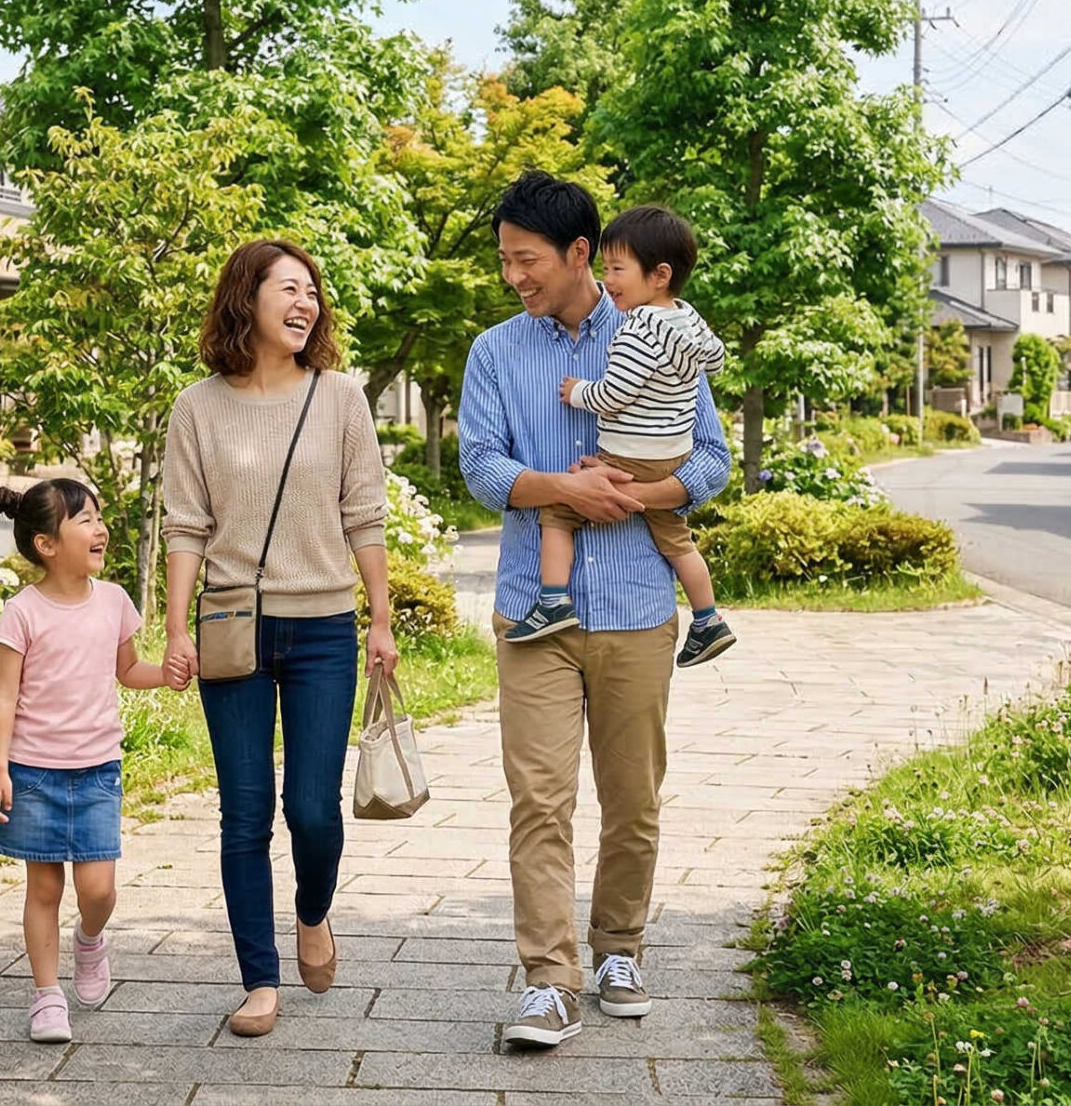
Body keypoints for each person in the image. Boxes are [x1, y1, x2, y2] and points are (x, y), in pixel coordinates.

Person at [459, 173, 731, 1050]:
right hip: (532, 611)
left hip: (638, 605)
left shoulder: (663, 328)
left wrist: (653, 490)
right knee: (538, 799)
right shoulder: (496, 351)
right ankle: (549, 980)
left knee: (632, 797)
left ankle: (620, 949)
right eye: (505, 260)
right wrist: (563, 488)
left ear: (582, 254)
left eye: (526, 259)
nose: (513, 277)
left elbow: (716, 460)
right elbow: (482, 467)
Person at [159, 238, 395, 1040]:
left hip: (326, 626)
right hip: (233, 625)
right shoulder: (196, 407)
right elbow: (184, 524)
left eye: (311, 291)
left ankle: (313, 911)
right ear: (246, 300)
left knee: (313, 811)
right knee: (245, 812)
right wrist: (172, 629)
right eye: (287, 289)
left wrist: (382, 620)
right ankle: (259, 980)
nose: (305, 304)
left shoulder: (342, 399)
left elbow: (365, 512)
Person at [0, 478, 170, 1045]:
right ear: (47, 544)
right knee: (43, 890)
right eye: (85, 519)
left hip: (96, 772)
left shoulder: (113, 600)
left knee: (98, 890)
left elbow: (129, 671)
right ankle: (46, 997)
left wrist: (172, 673)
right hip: (33, 772)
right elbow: (5, 696)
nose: (100, 528)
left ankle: (89, 941)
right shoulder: (23, 611)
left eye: (98, 517)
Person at [511, 203, 737, 669]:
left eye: (617, 268)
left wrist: (577, 392)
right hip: (671, 455)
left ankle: (553, 599)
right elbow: (715, 359)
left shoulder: (637, 328)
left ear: (658, 275)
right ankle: (709, 619)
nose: (608, 278)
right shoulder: (686, 318)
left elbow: (613, 394)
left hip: (631, 458)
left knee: (558, 509)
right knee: (678, 540)